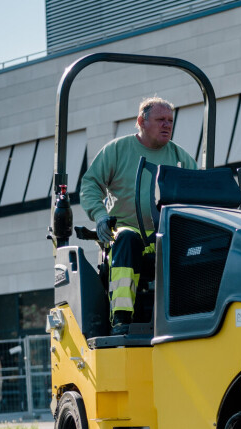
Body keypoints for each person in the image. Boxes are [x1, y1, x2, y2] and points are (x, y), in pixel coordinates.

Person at [80, 97, 197, 335]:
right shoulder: (117, 150)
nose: (167, 125)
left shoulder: (181, 158)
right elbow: (90, 184)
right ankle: (121, 318)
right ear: (141, 121)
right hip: (126, 232)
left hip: (166, 236)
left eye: (170, 121)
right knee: (127, 239)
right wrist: (100, 216)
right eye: (160, 120)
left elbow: (201, 193)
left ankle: (193, 316)